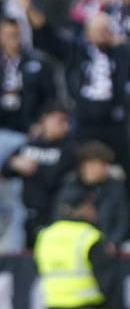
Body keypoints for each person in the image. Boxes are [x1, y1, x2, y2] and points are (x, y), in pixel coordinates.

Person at [66, 12, 130, 178]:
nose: (104, 35)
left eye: (107, 30)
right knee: (77, 164)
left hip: (113, 121)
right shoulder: (77, 52)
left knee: (123, 166)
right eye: (99, 31)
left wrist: (119, 44)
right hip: (85, 119)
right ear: (87, 33)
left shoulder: (120, 52)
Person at [3, 104, 78, 247]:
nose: (63, 125)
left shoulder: (71, 149)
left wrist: (35, 168)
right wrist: (14, 163)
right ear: (45, 120)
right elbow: (5, 171)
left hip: (56, 214)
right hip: (27, 214)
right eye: (58, 120)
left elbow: (55, 179)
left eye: (66, 121)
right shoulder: (30, 145)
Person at [55, 140, 130, 244]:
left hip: (103, 244)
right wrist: (77, 215)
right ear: (84, 165)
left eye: (105, 165)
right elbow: (58, 215)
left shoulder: (114, 188)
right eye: (96, 165)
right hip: (73, 245)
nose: (102, 169)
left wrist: (113, 242)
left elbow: (123, 221)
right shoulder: (71, 184)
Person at [0, 17, 56, 135]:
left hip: (28, 126)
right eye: (10, 35)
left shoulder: (39, 61)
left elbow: (50, 96)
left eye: (17, 34)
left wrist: (42, 123)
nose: (15, 39)